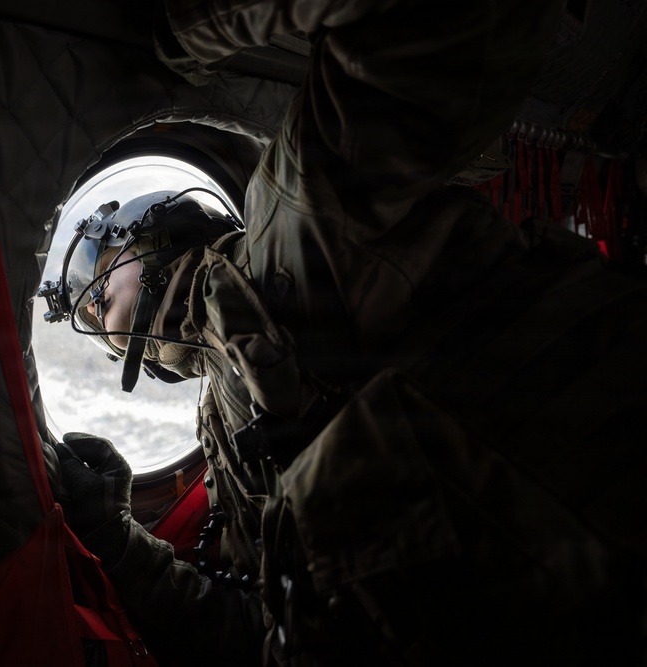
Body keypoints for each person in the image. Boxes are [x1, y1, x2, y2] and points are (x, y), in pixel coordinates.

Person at [41, 0, 647, 665]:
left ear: (150, 241)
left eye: (96, 291)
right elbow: (266, 626)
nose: (95, 321)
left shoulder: (298, 218)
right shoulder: (224, 431)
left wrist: (179, 27)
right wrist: (118, 539)